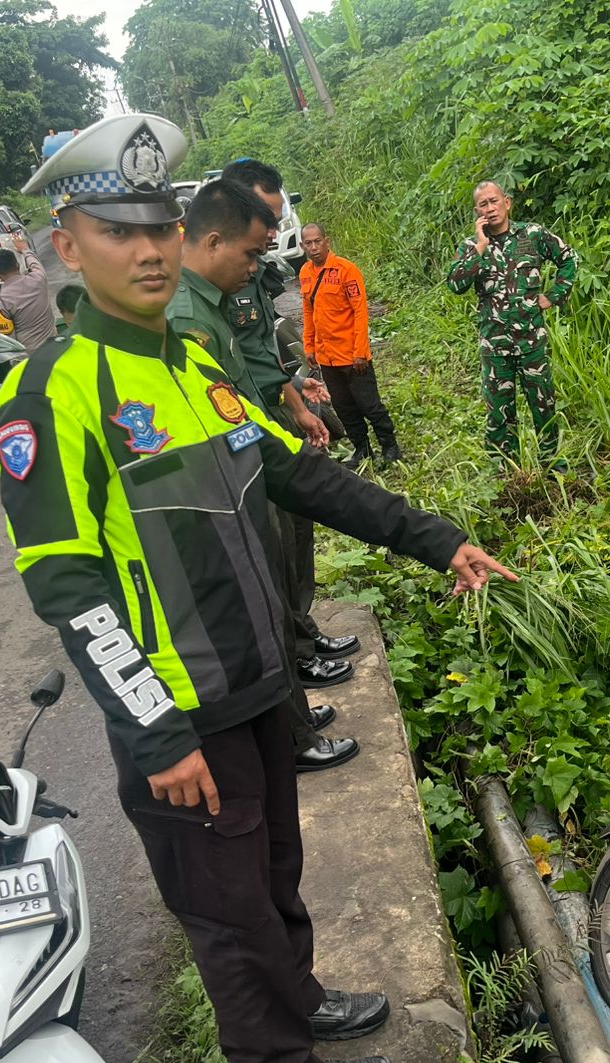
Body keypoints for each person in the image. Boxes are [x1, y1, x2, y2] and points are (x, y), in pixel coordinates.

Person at [0, 112, 518, 1063]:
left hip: (258, 681)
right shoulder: (51, 394)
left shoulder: (192, 366)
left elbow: (302, 475)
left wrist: (439, 539)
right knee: (227, 911)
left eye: (160, 227)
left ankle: (302, 1001)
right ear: (69, 247)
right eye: (118, 231)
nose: (149, 251)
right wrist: (155, 733)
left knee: (274, 868)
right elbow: (67, 588)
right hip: (181, 710)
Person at [167, 179, 357, 772]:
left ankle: (293, 723)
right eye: (253, 251)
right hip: (232, 475)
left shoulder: (211, 301)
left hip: (251, 456)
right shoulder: (188, 314)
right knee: (266, 604)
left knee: (279, 586)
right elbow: (221, 409)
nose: (258, 264)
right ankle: (292, 737)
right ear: (214, 239)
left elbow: (250, 374)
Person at [218, 161, 362, 678]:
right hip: (245, 425)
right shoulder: (211, 286)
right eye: (268, 217)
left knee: (298, 527)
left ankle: (303, 627)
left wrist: (296, 390)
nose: (276, 229)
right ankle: (293, 652)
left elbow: (262, 351)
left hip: (275, 409)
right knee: (273, 540)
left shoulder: (254, 271)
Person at [446, 181, 577, 466]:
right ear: (477, 211)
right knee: (499, 413)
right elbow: (455, 284)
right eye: (483, 204)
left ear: (507, 202)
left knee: (544, 405)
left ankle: (552, 464)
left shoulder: (532, 234)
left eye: (494, 201)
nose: (490, 208)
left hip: (532, 343)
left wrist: (554, 295)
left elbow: (569, 258)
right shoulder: (470, 246)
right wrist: (481, 246)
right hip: (495, 346)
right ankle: (505, 469)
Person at [299, 223, 403, 467]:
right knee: (344, 407)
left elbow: (360, 312)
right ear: (302, 246)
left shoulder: (346, 270)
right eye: (308, 243)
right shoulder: (305, 272)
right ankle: (362, 450)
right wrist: (309, 346)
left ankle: (390, 446)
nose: (313, 247)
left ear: (327, 241)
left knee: (369, 405)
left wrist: (360, 352)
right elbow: (308, 311)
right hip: (327, 357)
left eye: (317, 241)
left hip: (352, 355)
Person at [0, 236, 58, 352]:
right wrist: (24, 249)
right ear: (17, 265)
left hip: (29, 356)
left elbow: (6, 337)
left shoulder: (1, 300)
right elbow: (35, 263)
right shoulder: (38, 279)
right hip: (55, 347)